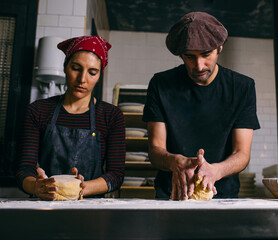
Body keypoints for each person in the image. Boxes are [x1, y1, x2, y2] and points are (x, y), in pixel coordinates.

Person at [143, 12, 260, 200]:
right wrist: (176, 162)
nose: (198, 66)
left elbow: (242, 153)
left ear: (219, 47)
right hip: (171, 196)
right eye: (190, 57)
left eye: (206, 55)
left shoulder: (242, 87)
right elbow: (156, 149)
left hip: (223, 197)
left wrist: (215, 171)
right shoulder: (160, 84)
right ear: (180, 54)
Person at [16, 36, 125, 200]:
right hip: (44, 206)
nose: (82, 79)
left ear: (99, 76)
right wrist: (37, 187)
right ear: (65, 67)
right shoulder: (38, 110)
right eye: (76, 68)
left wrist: (80, 188)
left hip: (90, 210)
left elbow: (116, 175)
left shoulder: (111, 116)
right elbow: (23, 169)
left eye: (92, 72)